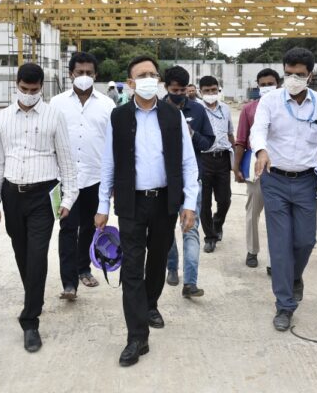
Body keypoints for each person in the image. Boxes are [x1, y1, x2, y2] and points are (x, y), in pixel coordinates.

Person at [95, 55, 198, 367]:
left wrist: (189, 203)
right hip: (131, 202)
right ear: (130, 83)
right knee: (132, 268)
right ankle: (136, 337)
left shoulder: (172, 115)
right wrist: (102, 206)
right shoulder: (119, 117)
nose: (149, 79)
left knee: (157, 261)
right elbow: (109, 163)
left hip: (165, 200)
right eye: (142, 75)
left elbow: (188, 161)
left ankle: (150, 303)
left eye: (153, 74)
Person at [0, 63, 77, 353]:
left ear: (42, 87)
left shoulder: (54, 116)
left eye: (34, 90)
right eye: (24, 90)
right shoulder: (2, 118)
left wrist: (67, 199)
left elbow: (67, 160)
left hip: (43, 196)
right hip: (12, 195)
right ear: (17, 84)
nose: (28, 95)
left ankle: (30, 320)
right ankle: (33, 297)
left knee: (37, 256)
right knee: (22, 253)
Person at [251, 48, 317, 331]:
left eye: (299, 74)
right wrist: (261, 150)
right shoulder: (271, 101)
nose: (293, 78)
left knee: (305, 241)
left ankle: (295, 276)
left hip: (307, 181)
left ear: (310, 74)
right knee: (280, 244)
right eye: (289, 73)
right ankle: (284, 305)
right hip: (274, 179)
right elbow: (258, 130)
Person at [50, 53, 115, 298]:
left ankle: (83, 268)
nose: (84, 77)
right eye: (80, 73)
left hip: (96, 177)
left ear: (96, 75)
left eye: (89, 73)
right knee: (67, 228)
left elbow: (113, 143)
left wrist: (114, 181)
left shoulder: (107, 105)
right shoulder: (56, 103)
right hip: (65, 178)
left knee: (90, 227)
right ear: (71, 74)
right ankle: (69, 283)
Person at [163, 66, 214, 297]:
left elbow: (209, 143)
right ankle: (172, 266)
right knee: (166, 230)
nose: (180, 94)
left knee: (191, 229)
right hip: (164, 182)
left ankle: (190, 282)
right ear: (166, 88)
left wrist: (192, 134)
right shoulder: (156, 110)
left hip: (193, 180)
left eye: (183, 90)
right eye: (175, 90)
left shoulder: (198, 110)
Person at [233, 68, 280, 270]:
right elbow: (241, 140)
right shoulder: (249, 109)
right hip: (256, 168)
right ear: (257, 86)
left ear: (278, 84)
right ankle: (252, 250)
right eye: (263, 84)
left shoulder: (286, 108)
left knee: (277, 216)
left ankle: (274, 259)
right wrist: (236, 168)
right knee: (253, 212)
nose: (267, 87)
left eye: (270, 84)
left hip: (280, 168)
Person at [198, 75, 234, 252]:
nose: (211, 93)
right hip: (203, 160)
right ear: (200, 92)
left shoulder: (225, 109)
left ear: (218, 89)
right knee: (204, 202)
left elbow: (230, 133)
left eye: (213, 90)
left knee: (225, 199)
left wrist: (236, 159)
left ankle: (217, 222)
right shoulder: (196, 110)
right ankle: (210, 236)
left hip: (223, 159)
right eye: (207, 91)